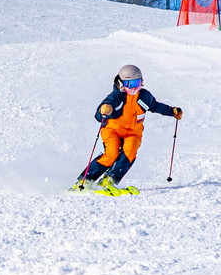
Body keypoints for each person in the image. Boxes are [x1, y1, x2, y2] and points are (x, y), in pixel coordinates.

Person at [71, 64, 182, 196]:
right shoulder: (115, 97)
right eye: (130, 84)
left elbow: (155, 106)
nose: (134, 87)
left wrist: (172, 111)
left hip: (133, 133)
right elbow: (98, 114)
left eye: (137, 82)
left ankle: (109, 179)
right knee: (111, 154)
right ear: (121, 83)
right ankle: (85, 180)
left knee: (130, 152)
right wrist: (103, 110)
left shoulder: (144, 96)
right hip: (113, 130)